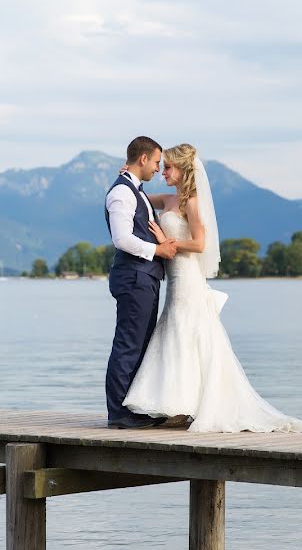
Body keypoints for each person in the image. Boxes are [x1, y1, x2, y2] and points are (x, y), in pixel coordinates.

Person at [122, 144, 302, 433]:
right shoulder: (170, 200)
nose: (163, 172)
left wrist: (166, 243)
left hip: (187, 278)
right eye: (162, 166)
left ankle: (186, 407)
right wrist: (129, 176)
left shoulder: (193, 203)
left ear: (184, 170)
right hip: (174, 279)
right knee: (176, 333)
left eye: (169, 167)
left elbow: (200, 244)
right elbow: (140, 198)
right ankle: (178, 405)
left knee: (184, 331)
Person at [104, 136, 178, 429]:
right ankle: (119, 413)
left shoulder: (134, 190)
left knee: (139, 343)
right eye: (157, 162)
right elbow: (121, 239)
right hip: (134, 276)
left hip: (143, 277)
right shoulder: (122, 193)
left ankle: (132, 407)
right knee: (128, 344)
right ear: (143, 159)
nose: (158, 168)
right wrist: (157, 250)